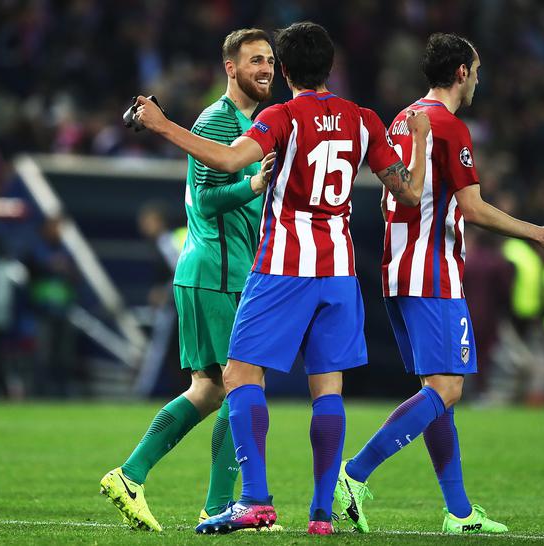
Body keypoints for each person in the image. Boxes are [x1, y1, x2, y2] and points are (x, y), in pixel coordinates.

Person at [134, 21, 431, 535]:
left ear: (286, 70)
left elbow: (227, 159)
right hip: (339, 270)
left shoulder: (281, 115)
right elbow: (408, 192)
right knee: (328, 389)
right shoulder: (363, 120)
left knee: (239, 376)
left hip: (284, 265)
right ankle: (320, 514)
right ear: (331, 66)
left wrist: (162, 126)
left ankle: (254, 500)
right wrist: (421, 144)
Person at [334, 33, 544, 535]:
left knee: (436, 391)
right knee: (446, 388)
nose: (478, 79)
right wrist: (536, 231)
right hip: (432, 272)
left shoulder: (404, 118)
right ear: (462, 72)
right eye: (477, 70)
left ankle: (460, 512)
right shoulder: (447, 126)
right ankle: (353, 475)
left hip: (395, 271)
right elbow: (471, 207)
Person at [99, 28, 277, 532]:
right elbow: (205, 200)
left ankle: (130, 475)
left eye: (269, 60)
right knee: (238, 384)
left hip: (221, 271)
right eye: (255, 60)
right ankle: (219, 503)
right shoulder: (217, 121)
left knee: (208, 389)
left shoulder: (254, 123)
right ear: (230, 67)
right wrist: (254, 183)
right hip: (217, 271)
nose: (265, 69)